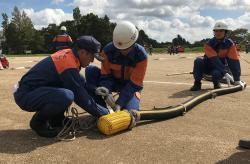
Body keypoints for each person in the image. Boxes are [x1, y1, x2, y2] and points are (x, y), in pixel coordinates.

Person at [13, 36, 109, 138]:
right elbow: (81, 97)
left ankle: (57, 120)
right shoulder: (68, 63)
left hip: (33, 91)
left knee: (66, 89)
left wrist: (95, 89)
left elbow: (81, 82)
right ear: (82, 52)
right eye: (92, 56)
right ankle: (38, 123)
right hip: (26, 95)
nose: (93, 60)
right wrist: (105, 113)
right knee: (67, 95)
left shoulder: (70, 55)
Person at [85, 21, 148, 112]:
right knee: (90, 70)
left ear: (134, 42)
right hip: (114, 81)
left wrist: (119, 103)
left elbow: (134, 84)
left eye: (126, 48)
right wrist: (107, 92)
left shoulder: (141, 56)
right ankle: (100, 110)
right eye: (119, 48)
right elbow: (106, 76)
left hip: (131, 86)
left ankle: (127, 106)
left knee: (130, 113)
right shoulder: (107, 51)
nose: (123, 51)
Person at [190, 22, 244, 91]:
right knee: (198, 60)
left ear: (225, 32)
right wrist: (225, 72)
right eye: (216, 31)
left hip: (218, 69)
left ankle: (216, 83)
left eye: (221, 31)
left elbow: (234, 61)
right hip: (208, 66)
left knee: (216, 73)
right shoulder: (209, 44)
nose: (218, 33)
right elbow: (214, 59)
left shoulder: (230, 44)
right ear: (214, 32)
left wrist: (237, 79)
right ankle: (197, 83)